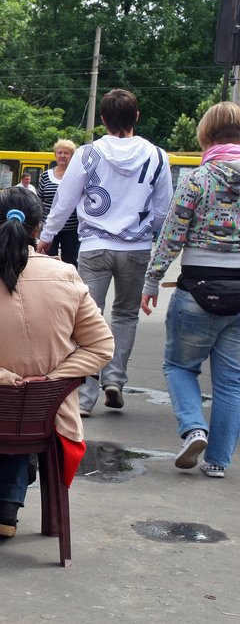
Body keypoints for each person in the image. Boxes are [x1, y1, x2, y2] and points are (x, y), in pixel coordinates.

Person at [0, 186, 113, 537]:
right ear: (37, 229)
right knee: (21, 411)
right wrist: (51, 378)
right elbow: (101, 347)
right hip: (46, 416)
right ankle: (9, 508)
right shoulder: (67, 276)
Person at [37, 89, 172, 416]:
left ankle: (84, 397)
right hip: (136, 249)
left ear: (102, 120)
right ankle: (115, 379)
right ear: (136, 116)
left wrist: (46, 237)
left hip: (94, 247)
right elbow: (162, 209)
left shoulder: (86, 154)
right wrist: (143, 231)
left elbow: (64, 202)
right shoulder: (156, 155)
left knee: (87, 318)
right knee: (125, 316)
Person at [140, 102, 240, 479]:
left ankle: (193, 427)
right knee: (232, 380)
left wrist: (152, 281)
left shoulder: (198, 179)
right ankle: (217, 462)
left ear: (207, 134)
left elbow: (171, 236)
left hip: (197, 290)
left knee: (180, 365)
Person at [38, 139, 81, 266]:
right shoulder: (46, 176)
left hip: (72, 229)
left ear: (72, 156)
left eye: (66, 153)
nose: (62, 155)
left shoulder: (77, 175)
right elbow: (40, 201)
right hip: (49, 227)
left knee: (70, 262)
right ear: (55, 155)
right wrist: (40, 223)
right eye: (60, 152)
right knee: (48, 261)